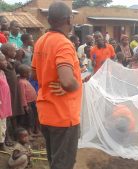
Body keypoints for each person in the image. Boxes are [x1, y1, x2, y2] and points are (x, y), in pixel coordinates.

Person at [31, 2, 82, 169]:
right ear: (68, 20)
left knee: (55, 160)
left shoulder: (41, 41)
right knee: (63, 164)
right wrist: (74, 85)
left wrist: (53, 80)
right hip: (63, 116)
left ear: (49, 19)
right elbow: (67, 81)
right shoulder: (64, 44)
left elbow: (35, 74)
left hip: (46, 114)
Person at [1, 43, 24, 137]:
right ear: (7, 52)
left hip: (13, 91)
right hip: (6, 94)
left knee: (13, 111)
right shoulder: (3, 65)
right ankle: (7, 136)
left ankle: (16, 133)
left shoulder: (10, 63)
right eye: (13, 51)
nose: (15, 52)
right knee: (8, 115)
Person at [17, 64, 37, 135]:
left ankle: (34, 130)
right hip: (28, 103)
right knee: (29, 118)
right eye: (28, 72)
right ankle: (29, 132)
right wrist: (25, 106)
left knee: (33, 117)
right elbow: (22, 95)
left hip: (32, 102)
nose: (30, 74)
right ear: (23, 73)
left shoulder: (25, 80)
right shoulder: (21, 83)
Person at [0, 52, 12, 151]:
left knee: (3, 124)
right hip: (0, 105)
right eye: (3, 60)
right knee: (1, 126)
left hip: (5, 104)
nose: (6, 62)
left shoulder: (2, 72)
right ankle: (1, 145)